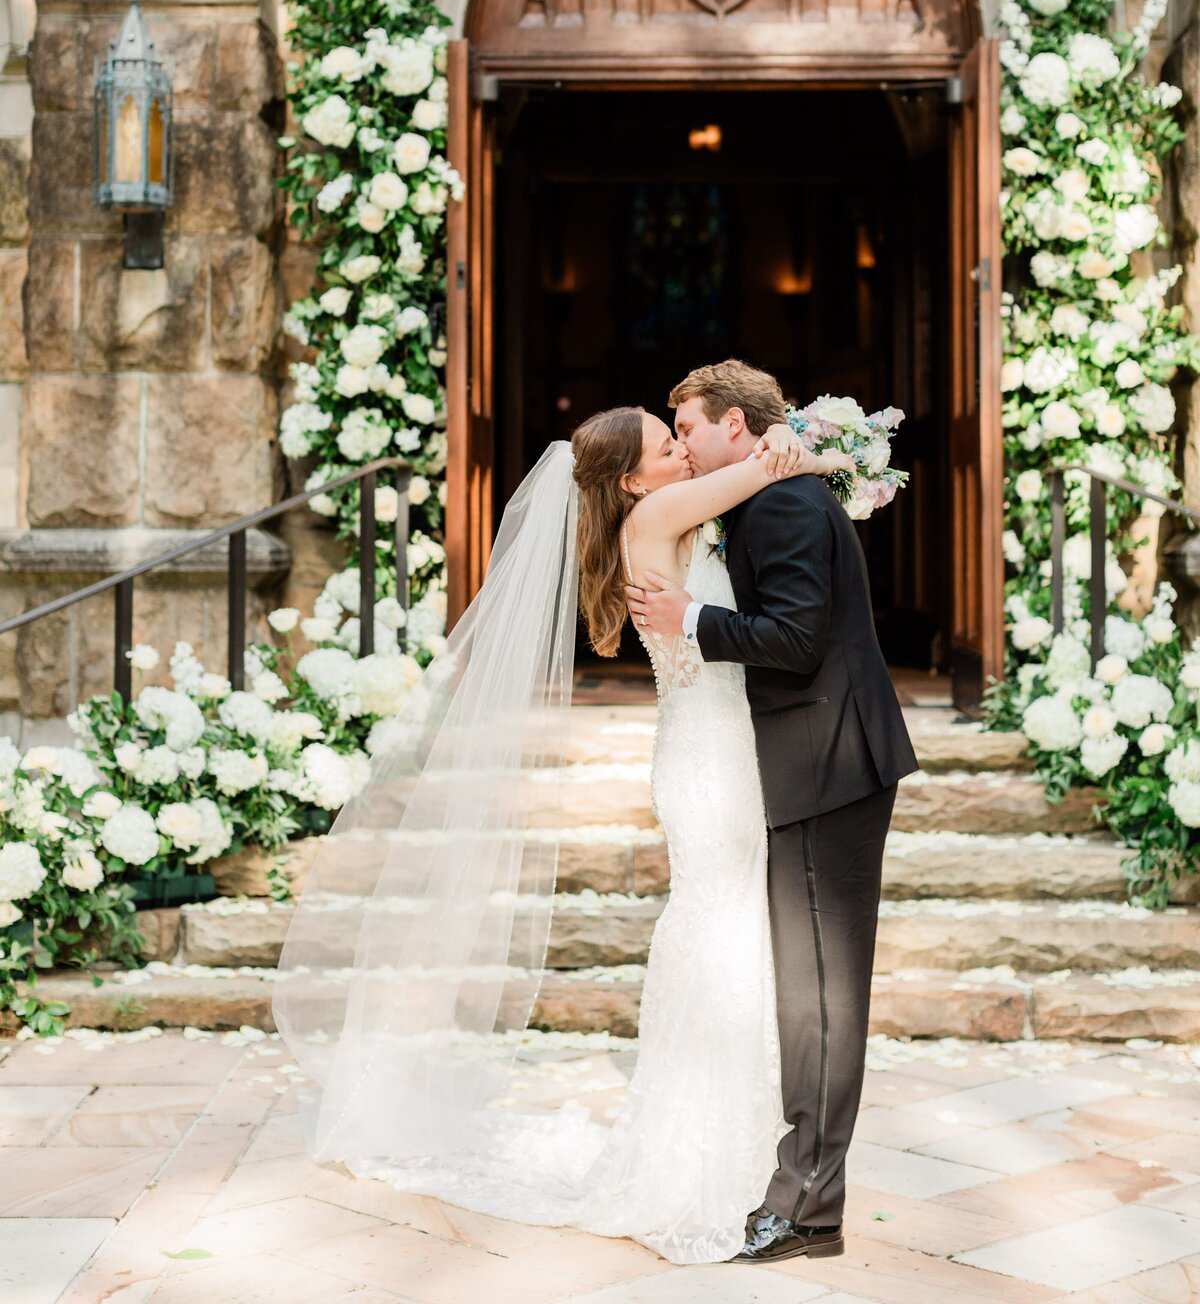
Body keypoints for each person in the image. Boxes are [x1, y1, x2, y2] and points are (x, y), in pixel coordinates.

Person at [275, 400, 852, 1266]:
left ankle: (734, 1147)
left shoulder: (671, 513)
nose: (682, 454)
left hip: (722, 748)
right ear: (631, 479)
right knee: (719, 927)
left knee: (726, 925)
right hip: (711, 762)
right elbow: (773, 468)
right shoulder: (658, 515)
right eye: (667, 445)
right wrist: (801, 442)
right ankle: (705, 1156)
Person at [626, 359, 921, 1266]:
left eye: (689, 431)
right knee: (810, 993)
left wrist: (689, 620)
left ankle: (806, 1203)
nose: (683, 448)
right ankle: (809, 1197)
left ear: (736, 428)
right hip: (804, 766)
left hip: (826, 764)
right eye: (671, 440)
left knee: (820, 997)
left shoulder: (784, 502)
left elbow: (793, 640)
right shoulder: (757, 498)